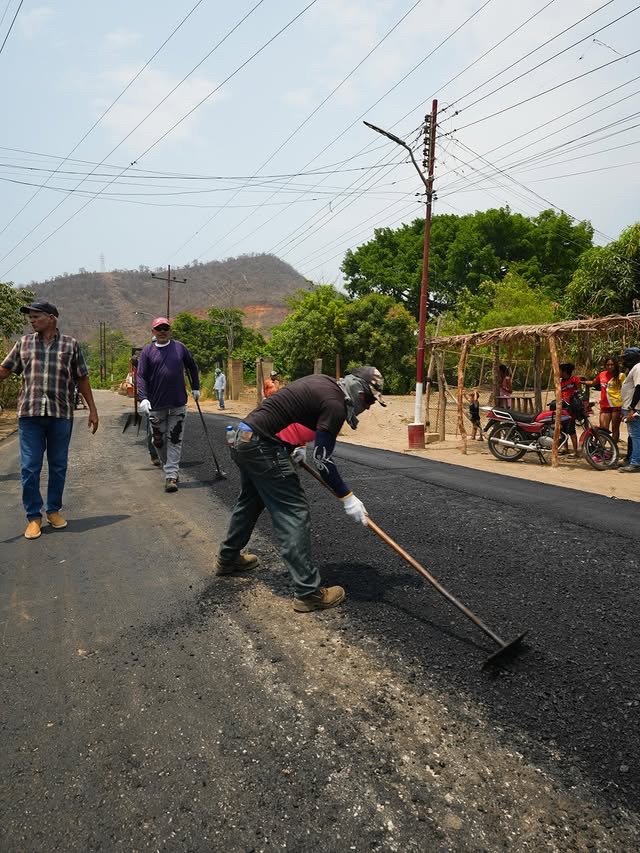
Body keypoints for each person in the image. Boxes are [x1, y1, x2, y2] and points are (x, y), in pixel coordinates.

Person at [214, 366, 386, 612]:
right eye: (368, 399)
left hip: (245, 438)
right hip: (264, 447)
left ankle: (227, 559)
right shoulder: (335, 404)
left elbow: (294, 409)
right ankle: (308, 593)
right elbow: (323, 461)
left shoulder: (324, 382)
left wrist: (296, 444)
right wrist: (347, 497)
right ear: (357, 388)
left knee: (250, 502)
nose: (368, 406)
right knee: (293, 512)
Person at [0, 301, 99, 539]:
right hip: (30, 415)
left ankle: (53, 510)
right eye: (30, 317)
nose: (32, 321)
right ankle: (33, 516)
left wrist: (93, 410)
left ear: (51, 318)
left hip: (60, 414)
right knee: (29, 467)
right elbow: (4, 370)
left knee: (58, 466)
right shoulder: (23, 344)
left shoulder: (70, 345)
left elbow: (82, 378)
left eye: (36, 317)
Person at [137, 317, 200, 493]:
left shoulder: (180, 348)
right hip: (156, 405)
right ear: (153, 332)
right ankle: (169, 467)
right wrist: (143, 398)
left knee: (175, 439)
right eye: (159, 329)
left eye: (166, 328)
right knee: (158, 441)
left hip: (178, 403)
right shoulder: (147, 352)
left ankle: (171, 475)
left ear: (170, 331)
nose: (163, 331)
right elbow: (141, 376)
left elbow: (192, 366)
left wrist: (196, 387)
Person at [585, 356, 624, 443]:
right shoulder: (602, 374)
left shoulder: (621, 376)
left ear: (615, 365)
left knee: (615, 428)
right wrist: (582, 382)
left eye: (612, 364)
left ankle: (613, 450)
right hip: (605, 405)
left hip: (616, 405)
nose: (610, 366)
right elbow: (593, 382)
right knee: (603, 428)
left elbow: (624, 391)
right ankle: (602, 449)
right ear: (605, 365)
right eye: (608, 365)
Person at [619, 346, 640, 473]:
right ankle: (631, 458)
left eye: (626, 358)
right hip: (630, 407)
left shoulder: (638, 367)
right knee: (633, 436)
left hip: (634, 408)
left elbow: (639, 388)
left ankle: (636, 463)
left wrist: (631, 408)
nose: (624, 361)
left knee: (636, 436)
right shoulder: (635, 368)